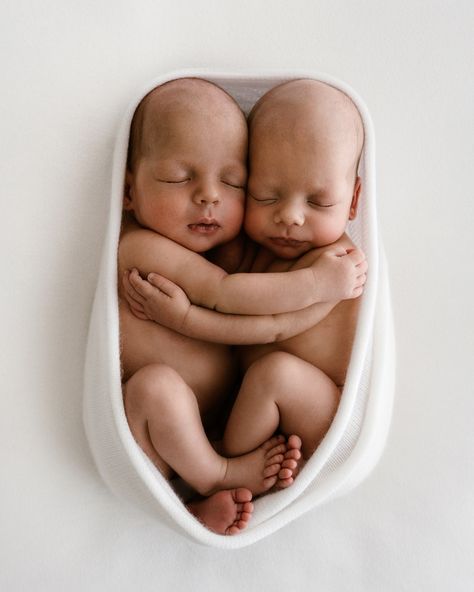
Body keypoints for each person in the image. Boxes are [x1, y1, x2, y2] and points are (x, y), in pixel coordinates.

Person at [119, 77, 366, 535]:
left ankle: (221, 479)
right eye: (263, 195)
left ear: (352, 200)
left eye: (232, 182)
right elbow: (231, 296)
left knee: (275, 373)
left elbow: (241, 304)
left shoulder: (337, 259)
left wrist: (319, 285)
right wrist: (314, 290)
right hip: (188, 430)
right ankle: (213, 482)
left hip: (299, 412)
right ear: (127, 191)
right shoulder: (143, 248)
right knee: (154, 389)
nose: (290, 217)